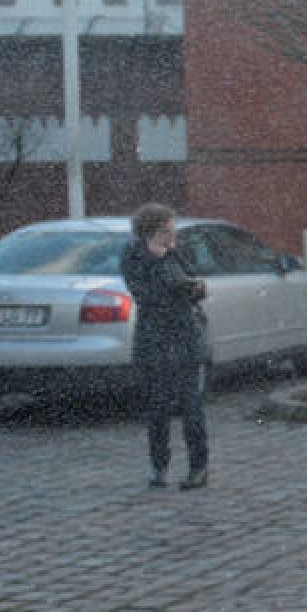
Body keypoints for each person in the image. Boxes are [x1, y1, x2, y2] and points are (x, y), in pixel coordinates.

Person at [122, 203, 209, 490]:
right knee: (158, 408)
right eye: (167, 231)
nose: (172, 236)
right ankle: (159, 467)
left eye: (173, 230)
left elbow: (196, 285)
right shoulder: (135, 257)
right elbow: (146, 295)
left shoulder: (176, 253)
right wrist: (161, 267)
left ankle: (199, 467)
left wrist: (195, 287)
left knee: (191, 406)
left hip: (185, 336)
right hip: (155, 339)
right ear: (152, 231)